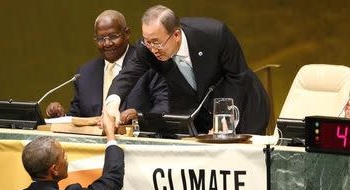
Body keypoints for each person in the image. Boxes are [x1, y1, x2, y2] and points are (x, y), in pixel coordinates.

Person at [106, 5, 270, 134]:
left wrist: (225, 120)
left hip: (244, 108)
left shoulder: (214, 34)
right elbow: (127, 76)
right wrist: (112, 104)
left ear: (176, 35)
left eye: (156, 42)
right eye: (147, 41)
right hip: (201, 117)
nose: (152, 49)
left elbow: (238, 76)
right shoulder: (147, 49)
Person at [46, 9, 169, 125]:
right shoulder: (85, 73)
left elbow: (164, 106)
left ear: (127, 33)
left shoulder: (148, 63)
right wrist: (61, 116)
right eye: (101, 39)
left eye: (113, 37)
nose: (107, 43)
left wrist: (140, 117)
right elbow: (78, 116)